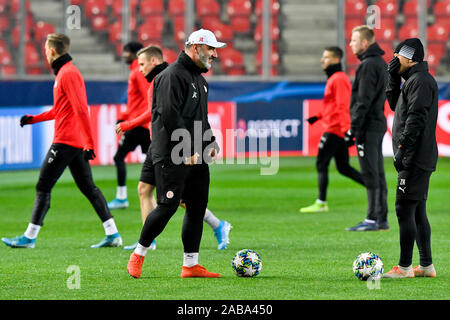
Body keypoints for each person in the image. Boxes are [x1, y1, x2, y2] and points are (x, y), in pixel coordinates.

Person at [1, 33, 122, 249]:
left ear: (52, 51)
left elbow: (80, 109)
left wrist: (89, 142)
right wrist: (33, 120)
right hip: (73, 142)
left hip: (66, 141)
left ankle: (29, 237)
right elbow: (61, 109)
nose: (44, 53)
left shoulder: (67, 74)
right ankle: (113, 234)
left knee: (43, 185)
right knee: (88, 188)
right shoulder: (65, 73)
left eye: (45, 49)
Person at [126, 29, 226, 279]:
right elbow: (170, 115)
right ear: (195, 48)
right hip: (172, 154)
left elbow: (200, 118)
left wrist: (210, 141)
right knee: (168, 205)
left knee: (196, 206)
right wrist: (188, 147)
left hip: (195, 154)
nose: (215, 54)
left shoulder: (200, 81)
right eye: (211, 49)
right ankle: (138, 254)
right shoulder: (171, 76)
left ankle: (190, 265)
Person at [383, 38, 438, 278]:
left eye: (398, 55)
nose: (394, 58)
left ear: (410, 57)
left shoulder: (421, 82)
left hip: (414, 157)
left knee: (403, 208)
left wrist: (403, 150)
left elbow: (416, 118)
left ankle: (405, 267)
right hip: (416, 155)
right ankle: (426, 266)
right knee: (417, 211)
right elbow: (396, 105)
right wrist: (393, 78)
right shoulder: (415, 81)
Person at [300, 46, 364, 213]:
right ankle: (375, 187)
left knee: (321, 163)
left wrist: (346, 130)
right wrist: (318, 116)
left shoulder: (338, 79)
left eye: (326, 57)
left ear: (336, 60)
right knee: (343, 167)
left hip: (335, 130)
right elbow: (333, 106)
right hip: (336, 128)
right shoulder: (336, 78)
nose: (323, 60)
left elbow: (343, 106)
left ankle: (321, 202)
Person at [345, 25, 389, 231]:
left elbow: (363, 100)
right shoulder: (379, 63)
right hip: (376, 123)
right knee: (377, 171)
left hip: (368, 125)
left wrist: (354, 128)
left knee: (371, 173)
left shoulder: (368, 65)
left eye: (353, 40)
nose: (350, 44)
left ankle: (373, 218)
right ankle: (381, 218)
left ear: (364, 43)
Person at [107, 42, 151, 210]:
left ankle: (121, 197)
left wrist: (130, 120)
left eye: (126, 52)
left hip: (138, 124)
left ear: (134, 54)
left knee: (119, 157)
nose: (123, 55)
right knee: (153, 160)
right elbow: (137, 102)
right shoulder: (136, 71)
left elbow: (148, 97)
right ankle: (169, 193)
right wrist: (124, 116)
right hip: (142, 123)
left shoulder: (137, 72)